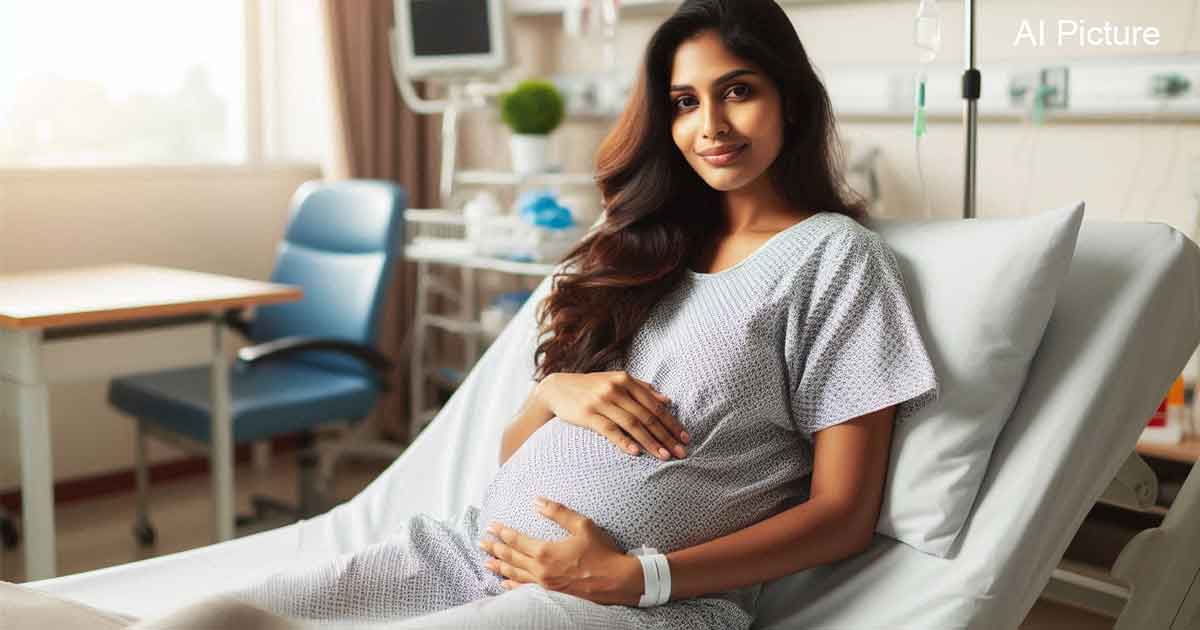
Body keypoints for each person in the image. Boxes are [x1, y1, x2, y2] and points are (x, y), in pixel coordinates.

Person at [9, 1, 937, 628]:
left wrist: (634, 576)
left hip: (625, 607)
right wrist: (562, 391)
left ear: (789, 97)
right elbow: (514, 454)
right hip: (464, 552)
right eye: (685, 102)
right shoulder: (643, 251)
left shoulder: (832, 260)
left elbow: (842, 514)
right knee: (209, 618)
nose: (711, 126)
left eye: (739, 90)